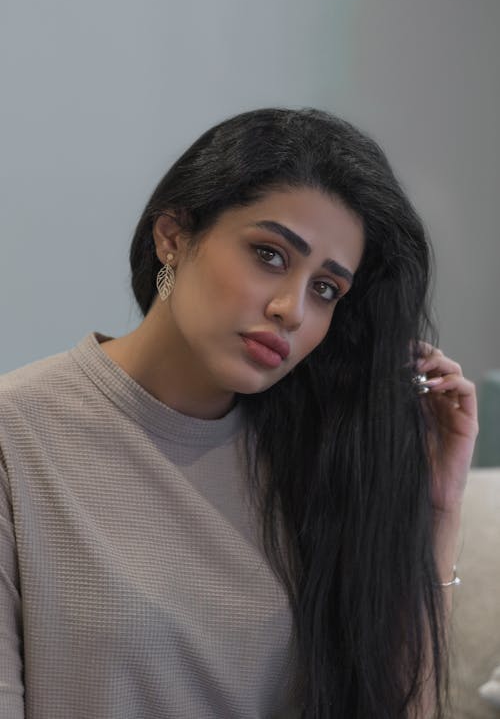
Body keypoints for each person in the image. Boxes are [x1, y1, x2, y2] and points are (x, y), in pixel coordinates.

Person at [0, 107, 478, 719]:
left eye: (326, 289)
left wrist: (436, 511)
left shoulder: (315, 454)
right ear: (172, 235)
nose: (292, 309)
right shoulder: (18, 440)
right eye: (270, 254)